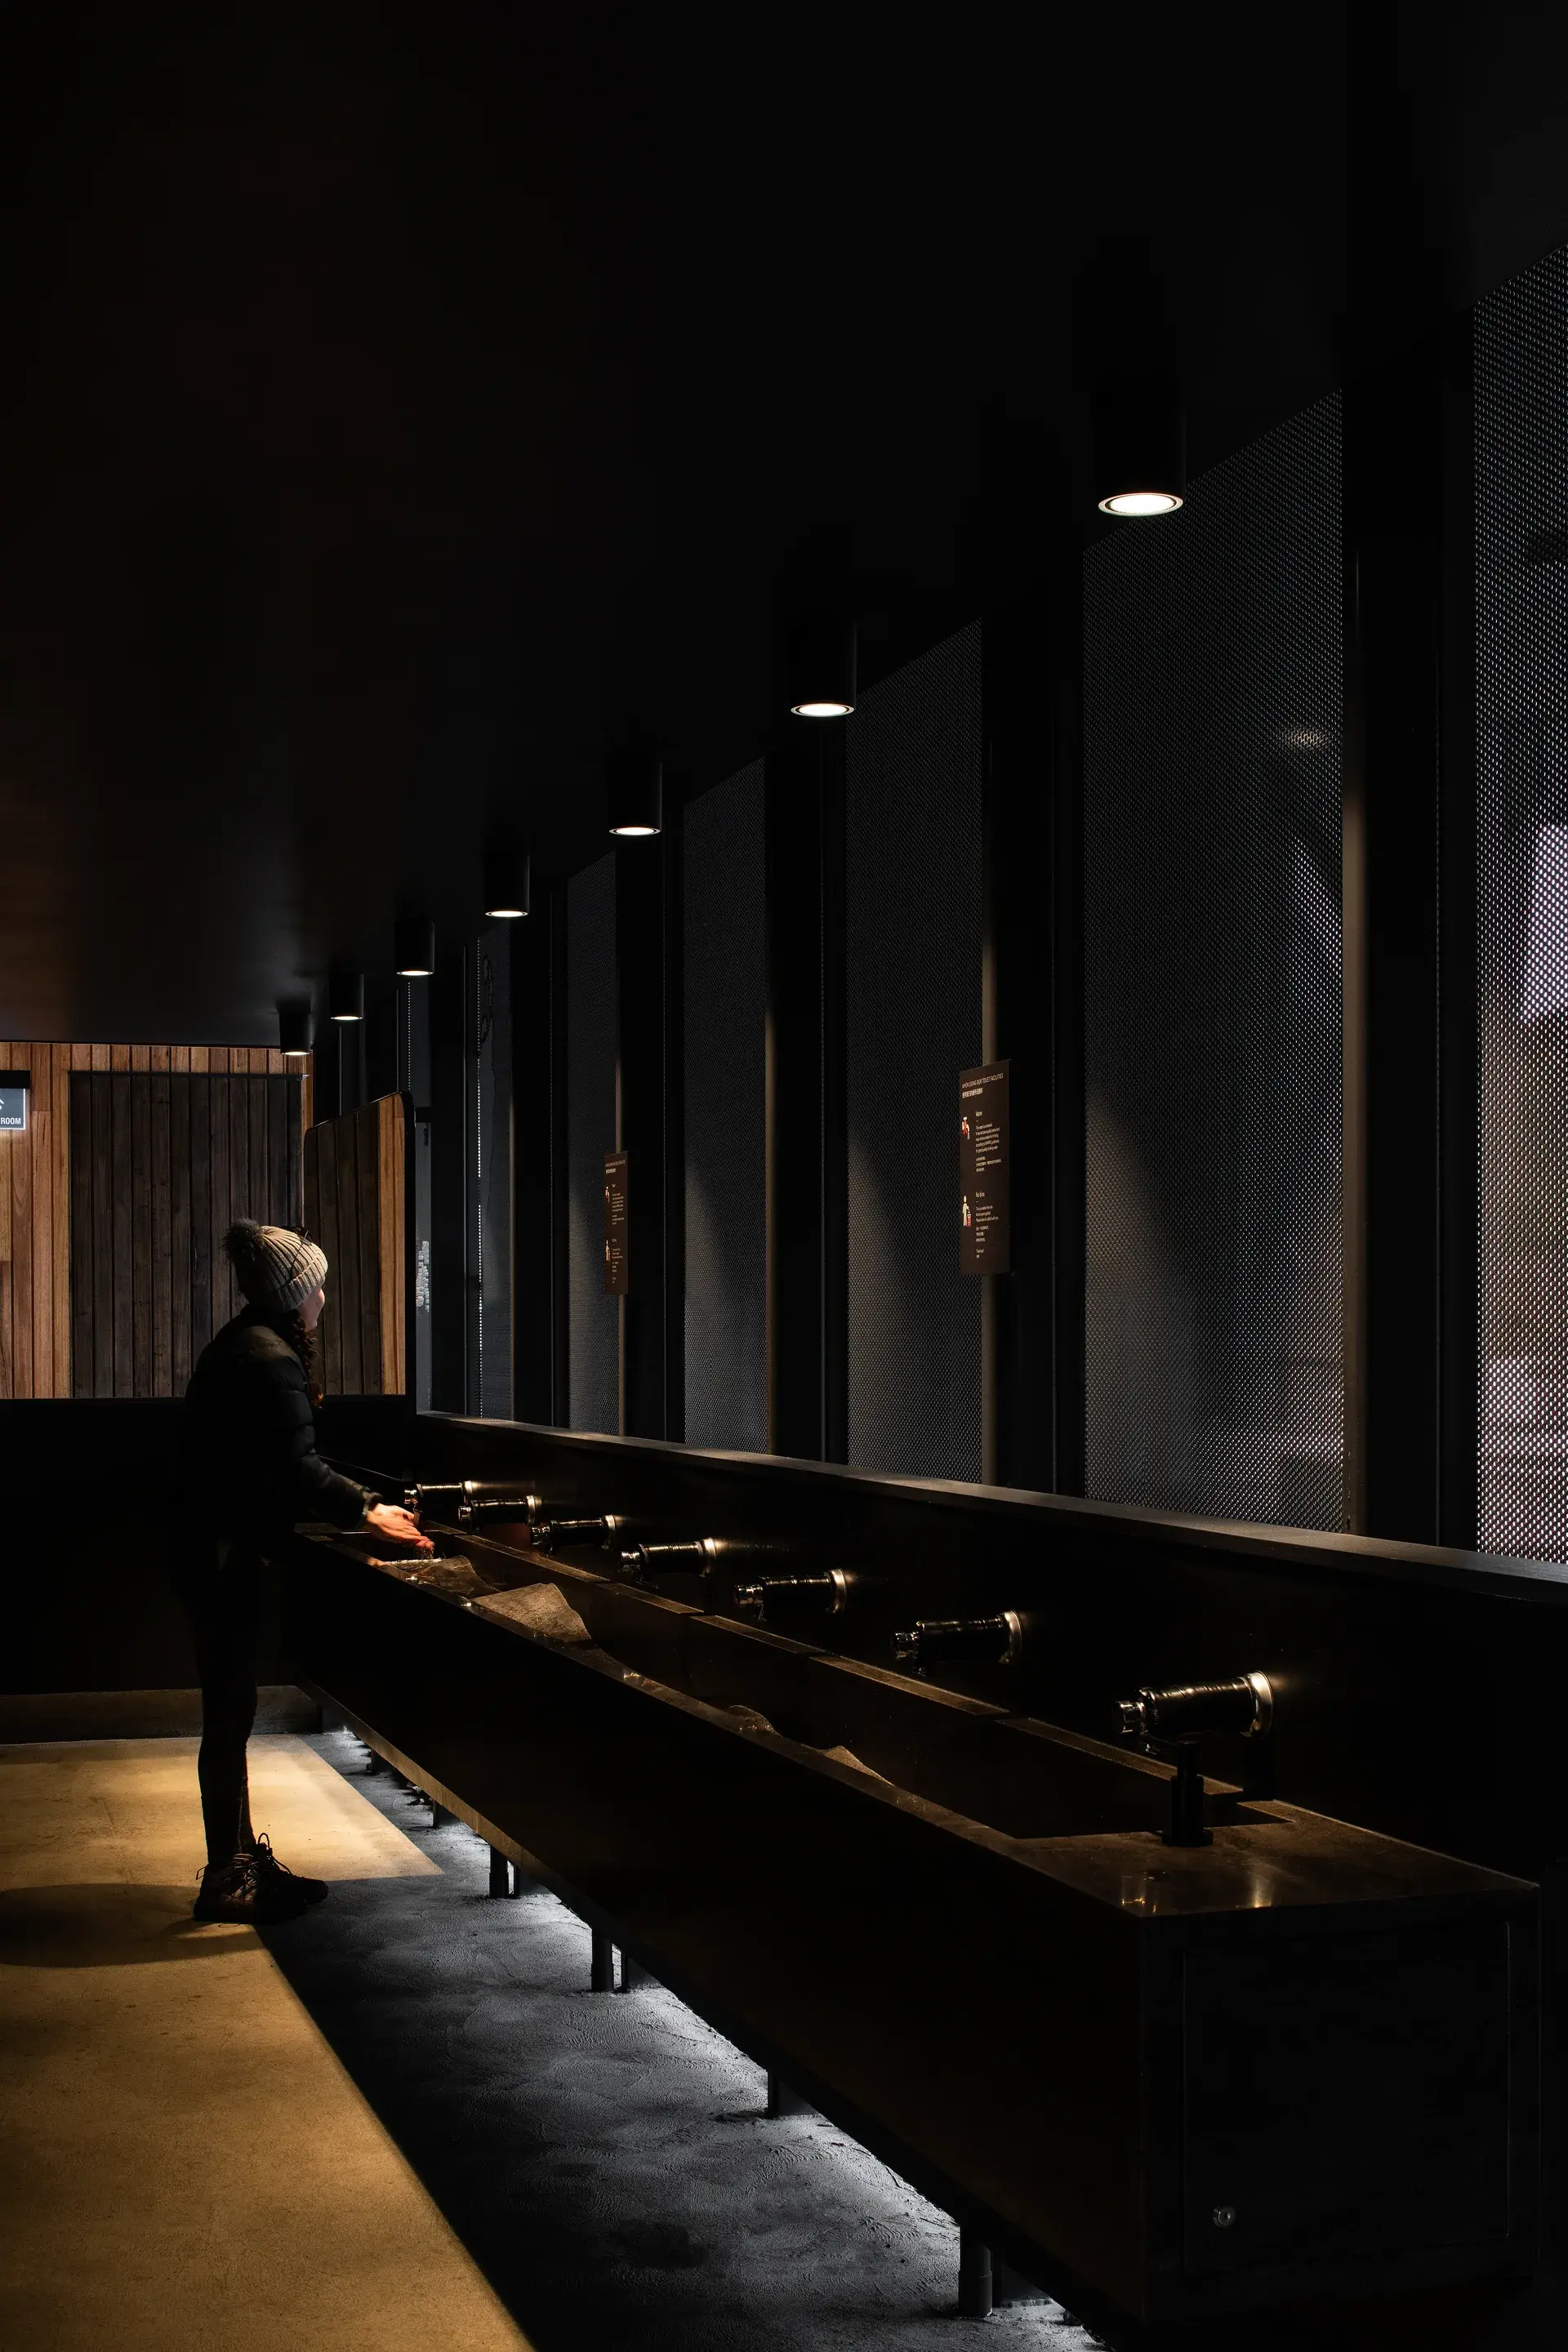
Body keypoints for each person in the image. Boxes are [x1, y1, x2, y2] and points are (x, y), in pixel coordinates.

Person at [172, 1218, 431, 1923]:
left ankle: (238, 1862)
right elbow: (298, 1467)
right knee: (229, 1715)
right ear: (297, 1292)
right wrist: (370, 1508)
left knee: (230, 1712)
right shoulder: (270, 1359)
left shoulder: (239, 1344)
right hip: (224, 1557)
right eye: (317, 1284)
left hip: (207, 1549)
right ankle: (227, 1878)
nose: (324, 1296)